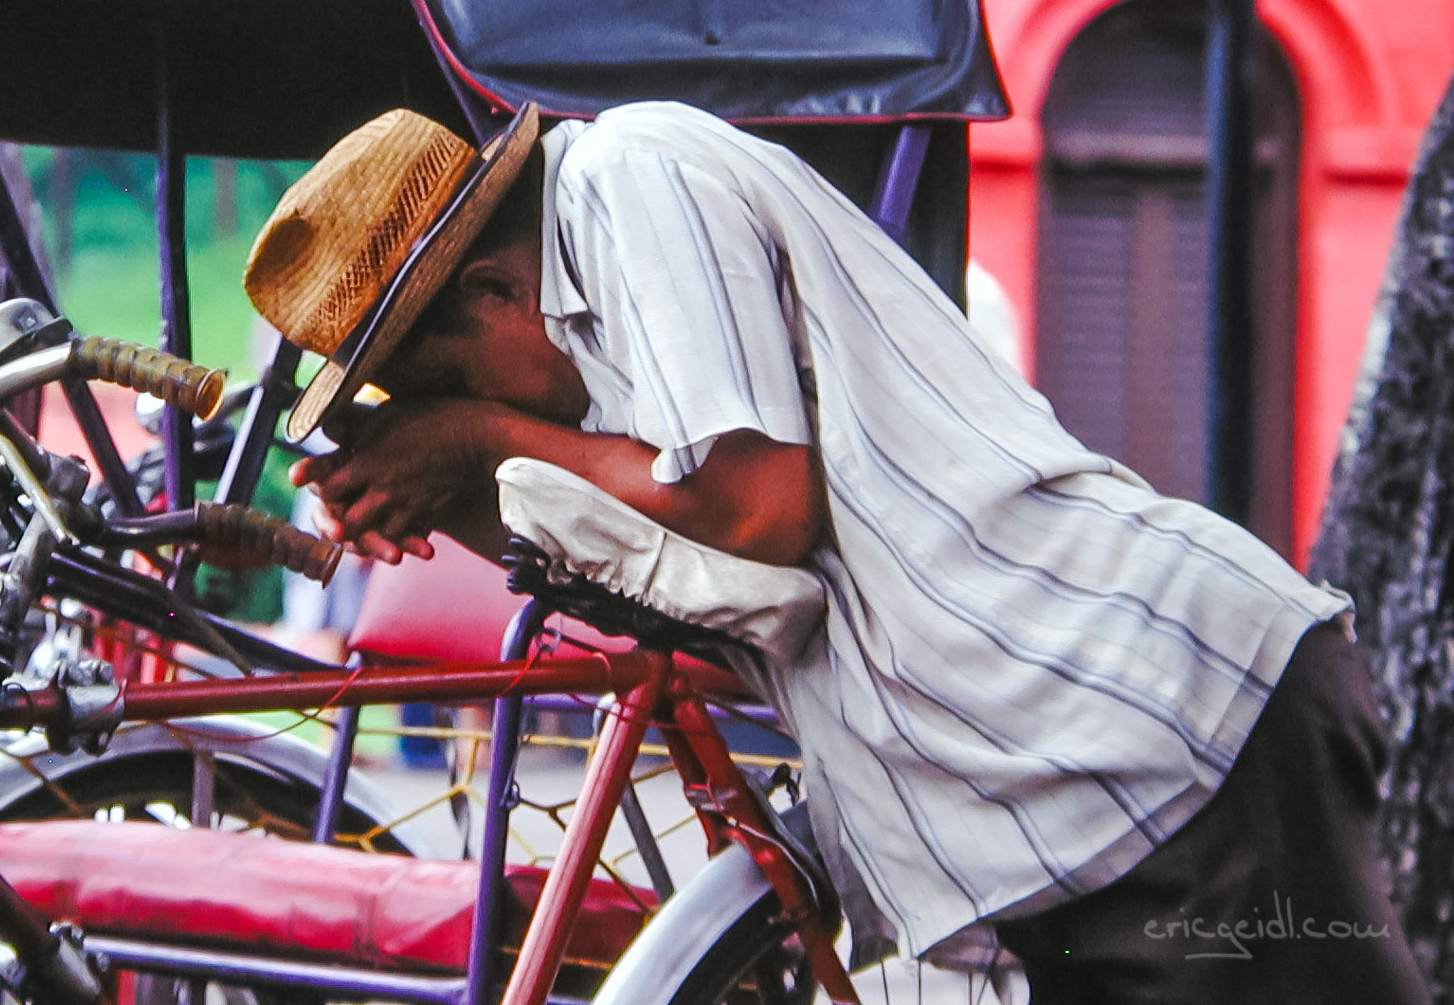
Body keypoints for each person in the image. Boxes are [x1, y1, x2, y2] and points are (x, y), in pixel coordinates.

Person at [241, 101, 1431, 1004]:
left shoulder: (624, 177)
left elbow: (761, 509)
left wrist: (481, 434)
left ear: (494, 293)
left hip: (1170, 724)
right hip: (1065, 806)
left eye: (446, 381)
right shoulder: (608, 363)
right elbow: (727, 590)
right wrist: (468, 488)